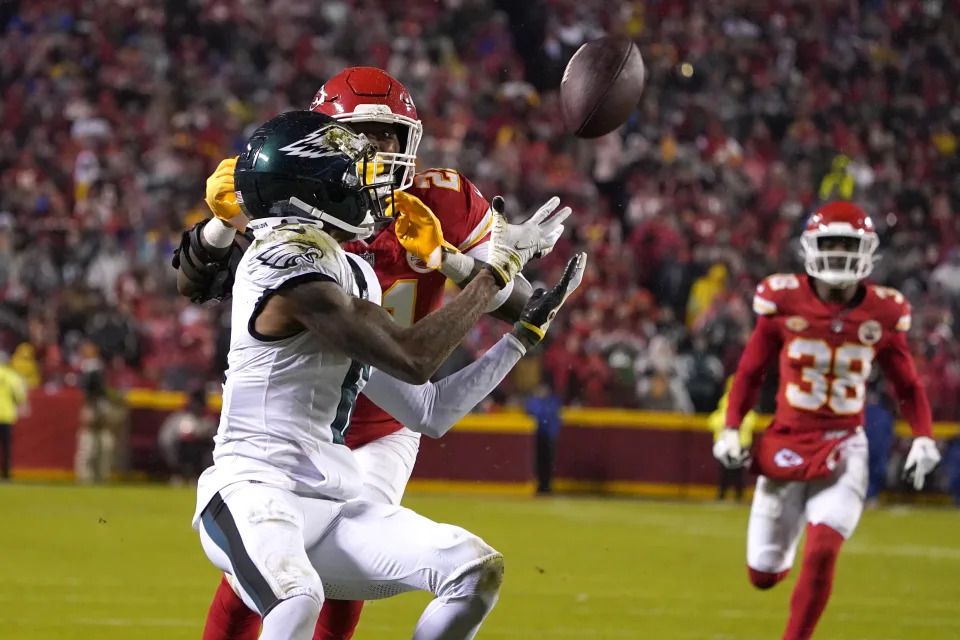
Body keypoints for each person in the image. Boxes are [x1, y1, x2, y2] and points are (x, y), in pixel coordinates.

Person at [182, 67, 573, 640]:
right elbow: (197, 282)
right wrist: (221, 224)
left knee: (335, 587)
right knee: (274, 584)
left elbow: (432, 394)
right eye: (361, 134)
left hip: (376, 407)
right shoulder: (293, 212)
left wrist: (462, 266)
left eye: (391, 135)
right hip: (299, 424)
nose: (379, 149)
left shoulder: (414, 219)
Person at [714, 201, 942, 640]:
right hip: (785, 440)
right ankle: (793, 528)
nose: (838, 253)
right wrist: (730, 426)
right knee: (762, 575)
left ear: (867, 250)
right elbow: (750, 371)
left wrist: (925, 437)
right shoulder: (782, 300)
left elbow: (908, 385)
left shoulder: (883, 311)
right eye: (830, 243)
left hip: (843, 445)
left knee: (822, 551)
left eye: (848, 244)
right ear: (810, 248)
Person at [707, 375, 756, 501]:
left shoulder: (746, 401)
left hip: (741, 443)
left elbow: (752, 420)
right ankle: (721, 494)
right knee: (724, 472)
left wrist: (732, 426)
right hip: (726, 444)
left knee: (738, 472)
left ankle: (739, 495)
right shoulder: (726, 401)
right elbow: (713, 421)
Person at [158, 387, 216, 485]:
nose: (196, 405)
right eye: (194, 402)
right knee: (180, 447)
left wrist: (199, 436)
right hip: (179, 449)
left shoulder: (209, 420)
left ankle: (196, 475)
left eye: (199, 402)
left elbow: (214, 440)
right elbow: (165, 439)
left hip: (201, 453)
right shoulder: (177, 418)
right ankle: (179, 475)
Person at [525, 382, 563, 494]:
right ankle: (542, 484)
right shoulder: (541, 402)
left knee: (547, 462)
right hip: (539, 436)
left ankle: (546, 485)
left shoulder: (551, 402)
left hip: (548, 436)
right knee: (540, 462)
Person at [0, 350, 27, 479]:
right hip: (6, 416)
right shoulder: (12, 376)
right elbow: (20, 396)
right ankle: (6, 473)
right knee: (6, 448)